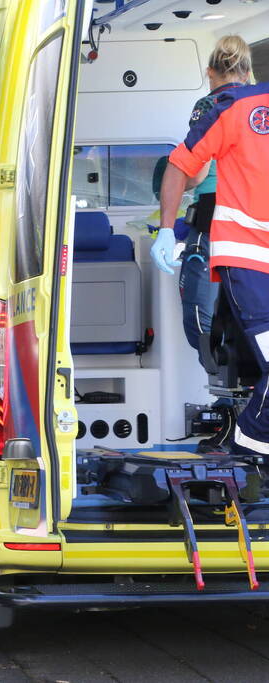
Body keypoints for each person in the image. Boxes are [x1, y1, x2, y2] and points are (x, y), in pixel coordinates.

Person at [156, 37, 269, 456]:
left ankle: (245, 440)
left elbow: (191, 169)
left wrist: (169, 228)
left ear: (211, 70)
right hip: (247, 252)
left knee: (228, 345)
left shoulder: (221, 106)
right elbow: (188, 165)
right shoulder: (242, 106)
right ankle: (246, 443)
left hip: (235, 245)